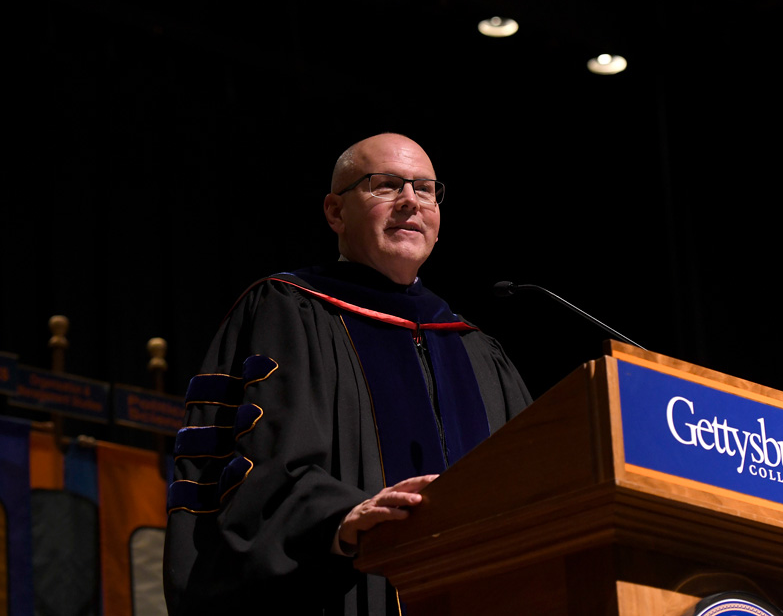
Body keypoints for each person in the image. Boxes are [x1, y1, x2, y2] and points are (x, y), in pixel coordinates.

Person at [163, 133, 533, 616]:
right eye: (386, 185)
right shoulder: (289, 311)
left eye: (424, 189)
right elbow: (258, 466)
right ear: (336, 212)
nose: (409, 202)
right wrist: (337, 518)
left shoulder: (474, 348)